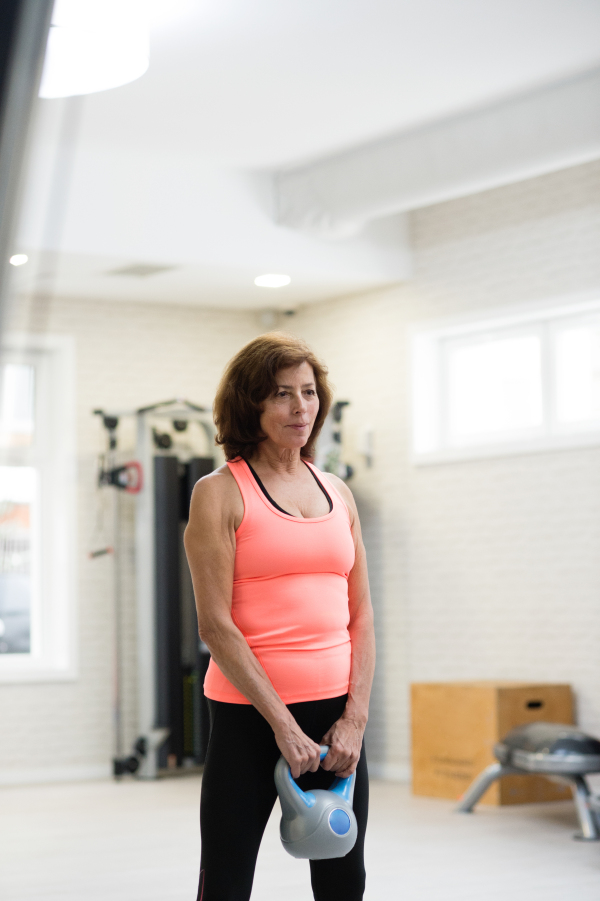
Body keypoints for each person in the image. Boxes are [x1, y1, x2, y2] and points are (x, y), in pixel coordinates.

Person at [184, 332, 375, 901]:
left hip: (337, 718)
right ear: (251, 405)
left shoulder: (337, 491)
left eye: (310, 393)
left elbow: (362, 614)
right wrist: (283, 728)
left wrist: (355, 720)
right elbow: (215, 625)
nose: (300, 408)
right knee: (226, 879)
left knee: (344, 878)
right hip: (251, 716)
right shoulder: (218, 493)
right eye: (281, 394)